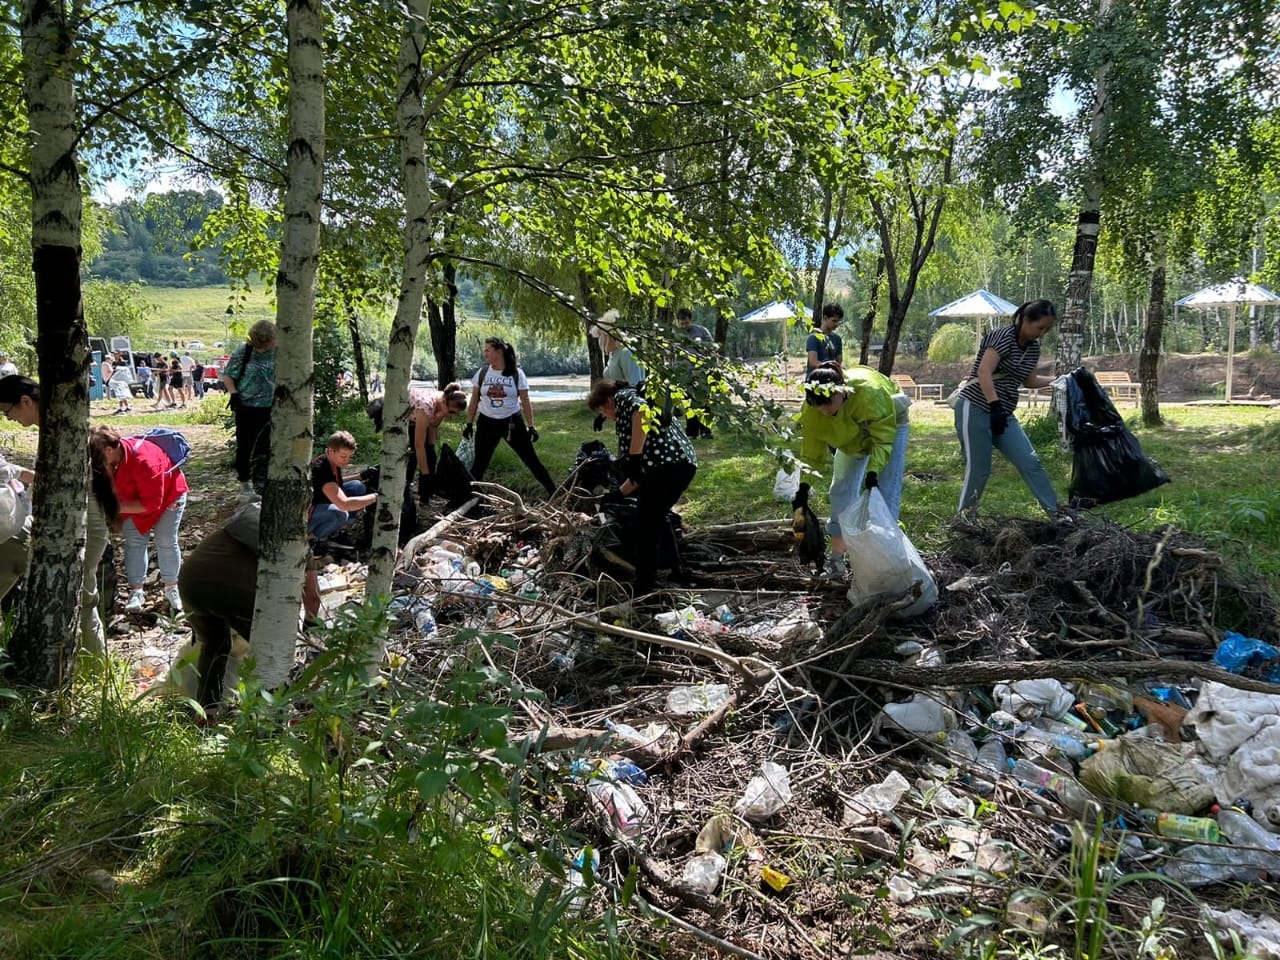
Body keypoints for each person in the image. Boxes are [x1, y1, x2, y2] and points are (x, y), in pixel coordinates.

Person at [178, 502, 320, 712]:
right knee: (269, 651)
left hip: (190, 583)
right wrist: (309, 630)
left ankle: (207, 712)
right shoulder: (293, 544)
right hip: (236, 592)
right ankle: (273, 713)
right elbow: (313, 597)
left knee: (214, 645)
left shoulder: (244, 524)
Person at [795, 363, 911, 580]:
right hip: (851, 437)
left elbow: (883, 439)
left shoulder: (868, 394)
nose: (825, 409)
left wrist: (873, 472)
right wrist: (803, 487)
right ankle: (837, 560)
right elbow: (811, 452)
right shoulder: (814, 410)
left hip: (889, 424)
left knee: (883, 495)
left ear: (842, 391)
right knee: (840, 489)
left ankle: (884, 563)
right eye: (818, 405)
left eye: (828, 402)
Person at [587, 378, 697, 598]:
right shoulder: (629, 414)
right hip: (677, 465)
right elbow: (640, 475)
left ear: (608, 400)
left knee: (646, 526)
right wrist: (617, 495)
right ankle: (676, 572)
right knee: (657, 517)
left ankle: (644, 586)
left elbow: (642, 413)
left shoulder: (624, 397)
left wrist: (634, 457)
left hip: (670, 467)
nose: (607, 417)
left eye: (602, 411)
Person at [953, 299, 1062, 519]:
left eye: (1047, 330)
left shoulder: (1033, 349)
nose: (1042, 334)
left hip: (1002, 413)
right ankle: (964, 520)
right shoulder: (1002, 337)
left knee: (1030, 461)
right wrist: (994, 405)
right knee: (979, 469)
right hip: (975, 407)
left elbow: (1029, 381)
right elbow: (984, 372)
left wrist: (1059, 381)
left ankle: (1057, 514)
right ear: (1025, 320)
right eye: (1039, 328)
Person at [89, 424, 188, 615]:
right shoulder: (112, 459)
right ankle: (137, 592)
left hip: (169, 497)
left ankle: (172, 589)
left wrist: (112, 507)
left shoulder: (145, 460)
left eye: (97, 457)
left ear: (109, 450)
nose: (96, 463)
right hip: (133, 500)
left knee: (166, 540)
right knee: (134, 542)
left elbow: (151, 504)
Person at [366, 382, 468, 543]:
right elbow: (419, 444)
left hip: (415, 420)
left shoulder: (442, 402)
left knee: (430, 456)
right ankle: (404, 495)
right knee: (413, 458)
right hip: (399, 418)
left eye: (455, 414)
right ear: (444, 402)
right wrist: (426, 473)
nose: (452, 416)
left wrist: (434, 452)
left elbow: (432, 432)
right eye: (451, 412)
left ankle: (424, 500)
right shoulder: (426, 406)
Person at [462, 337, 557, 495]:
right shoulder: (482, 373)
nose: (484, 354)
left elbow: (525, 401)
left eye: (488, 350)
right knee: (479, 465)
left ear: (498, 352)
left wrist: (531, 426)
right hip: (486, 423)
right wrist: (469, 424)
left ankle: (555, 494)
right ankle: (467, 499)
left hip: (512, 423)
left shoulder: (517, 374)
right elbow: (474, 400)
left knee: (532, 461)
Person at [220, 320, 277, 502]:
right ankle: (245, 485)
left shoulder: (279, 351)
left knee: (269, 446)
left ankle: (266, 482)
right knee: (245, 446)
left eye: (267, 342)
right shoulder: (244, 352)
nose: (264, 346)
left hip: (272, 408)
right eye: (261, 342)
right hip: (246, 407)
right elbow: (228, 374)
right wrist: (234, 394)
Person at [307, 430, 377, 547]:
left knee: (357, 486)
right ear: (330, 450)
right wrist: (376, 497)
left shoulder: (333, 461)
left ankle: (339, 532)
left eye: (349, 457)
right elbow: (343, 504)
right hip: (310, 515)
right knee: (341, 513)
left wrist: (361, 476)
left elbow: (335, 484)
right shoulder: (321, 469)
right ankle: (315, 540)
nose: (346, 460)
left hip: (324, 503)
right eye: (343, 456)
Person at [675, 307, 714, 440]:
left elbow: (711, 349)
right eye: (682, 323)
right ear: (678, 322)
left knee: (704, 402)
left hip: (700, 372)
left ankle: (706, 431)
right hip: (684, 374)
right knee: (688, 403)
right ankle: (691, 432)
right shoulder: (676, 334)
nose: (684, 326)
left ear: (690, 320)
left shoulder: (702, 331)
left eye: (686, 323)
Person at [806, 304, 844, 372]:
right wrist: (830, 368)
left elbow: (839, 361)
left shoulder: (837, 339)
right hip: (815, 379)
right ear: (825, 318)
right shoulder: (813, 338)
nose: (836, 324)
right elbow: (813, 362)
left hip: (832, 378)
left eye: (838, 321)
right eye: (834, 321)